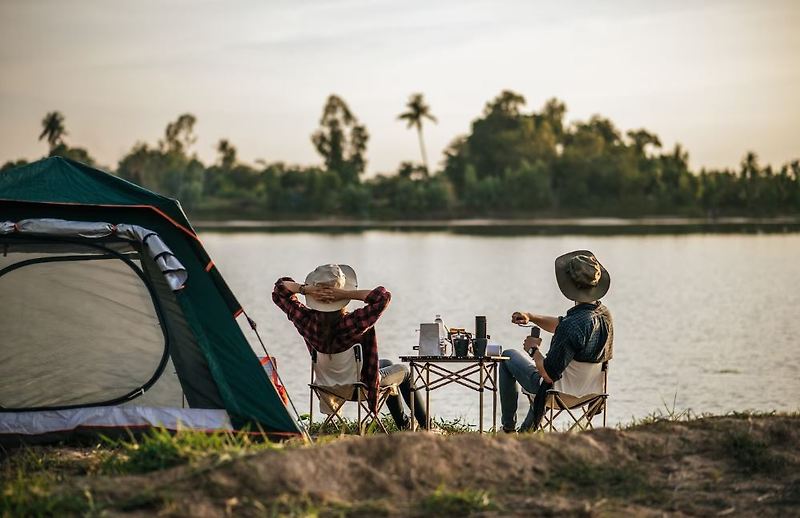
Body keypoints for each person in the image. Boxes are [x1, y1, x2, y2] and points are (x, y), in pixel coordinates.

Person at [272, 264, 429, 430]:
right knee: (404, 372)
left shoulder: (305, 321)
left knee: (387, 363)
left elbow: (279, 290)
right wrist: (345, 294)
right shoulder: (352, 322)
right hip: (360, 388)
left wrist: (306, 290)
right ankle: (422, 426)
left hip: (327, 388)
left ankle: (405, 424)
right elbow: (383, 296)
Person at [500, 250, 614, 432]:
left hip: (558, 393)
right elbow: (562, 326)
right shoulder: (604, 315)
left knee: (508, 357)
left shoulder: (572, 325)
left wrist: (533, 350)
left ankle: (508, 429)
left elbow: (547, 374)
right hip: (590, 393)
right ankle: (526, 432)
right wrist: (530, 317)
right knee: (555, 372)